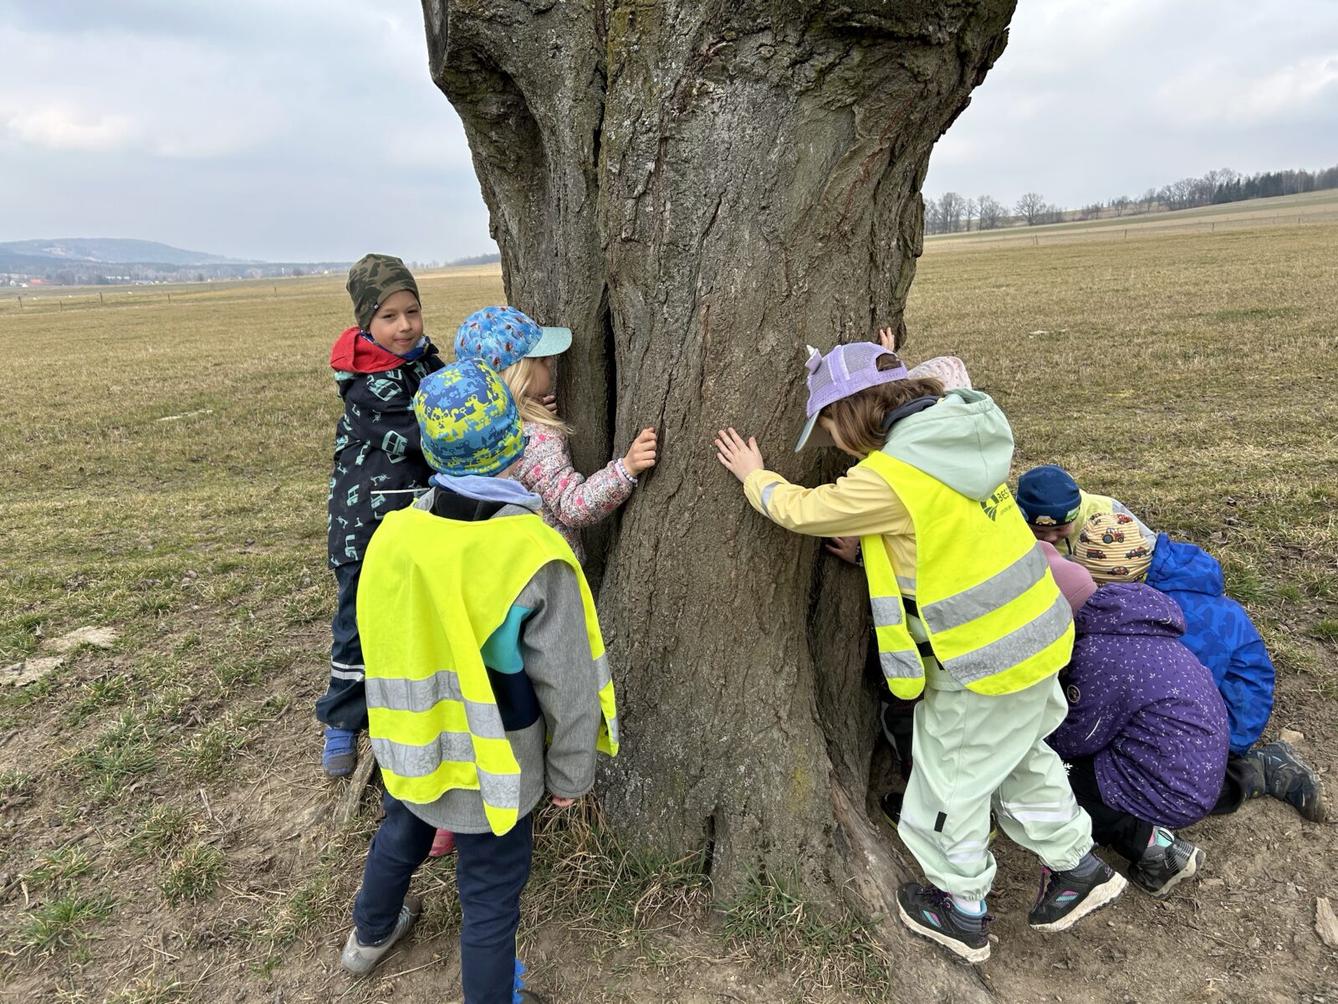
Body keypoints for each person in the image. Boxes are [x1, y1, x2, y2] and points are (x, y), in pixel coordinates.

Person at [713, 341, 1124, 964]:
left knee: (948, 784)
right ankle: (1077, 867)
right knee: (1020, 759)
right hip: (1037, 639)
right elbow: (935, 531)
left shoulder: (891, 477)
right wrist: (889, 366)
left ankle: (961, 910)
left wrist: (754, 476)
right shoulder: (966, 424)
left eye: (828, 428)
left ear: (848, 416)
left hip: (978, 662)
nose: (833, 443)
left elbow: (801, 509)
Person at [339, 358, 619, 1003]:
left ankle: (369, 937)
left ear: (432, 450)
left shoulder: (396, 534)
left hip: (412, 748)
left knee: (400, 834)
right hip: (499, 765)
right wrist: (572, 774)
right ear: (516, 440)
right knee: (489, 900)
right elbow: (569, 684)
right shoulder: (532, 552)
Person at [1072, 512, 1324, 822]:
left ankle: (1258, 771)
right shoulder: (1156, 597)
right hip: (1197, 699)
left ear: (1123, 583)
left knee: (1163, 780)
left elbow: (1182, 693)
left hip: (1229, 716)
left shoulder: (1184, 619)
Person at [1041, 543, 1227, 897]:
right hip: (1197, 770)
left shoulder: (1097, 655)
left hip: (1173, 789)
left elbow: (1079, 738)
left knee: (1054, 771)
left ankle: (1155, 850)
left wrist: (1032, 737)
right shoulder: (1136, 631)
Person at [318, 254, 443, 777]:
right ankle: (341, 722)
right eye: (389, 316)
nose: (405, 325)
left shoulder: (423, 359)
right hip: (363, 527)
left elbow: (451, 394)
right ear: (366, 322)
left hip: (409, 516)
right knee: (356, 622)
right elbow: (429, 432)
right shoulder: (368, 384)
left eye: (411, 311)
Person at [454, 305, 658, 562]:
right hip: (548, 569)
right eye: (540, 359)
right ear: (519, 375)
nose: (550, 361)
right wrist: (625, 469)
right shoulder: (535, 439)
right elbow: (572, 506)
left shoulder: (477, 435)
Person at [1016, 464, 1152, 557]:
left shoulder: (1108, 509)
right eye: (1038, 530)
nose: (1050, 538)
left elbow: (1151, 545)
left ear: (1075, 515)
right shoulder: (1008, 523)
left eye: (1060, 529)